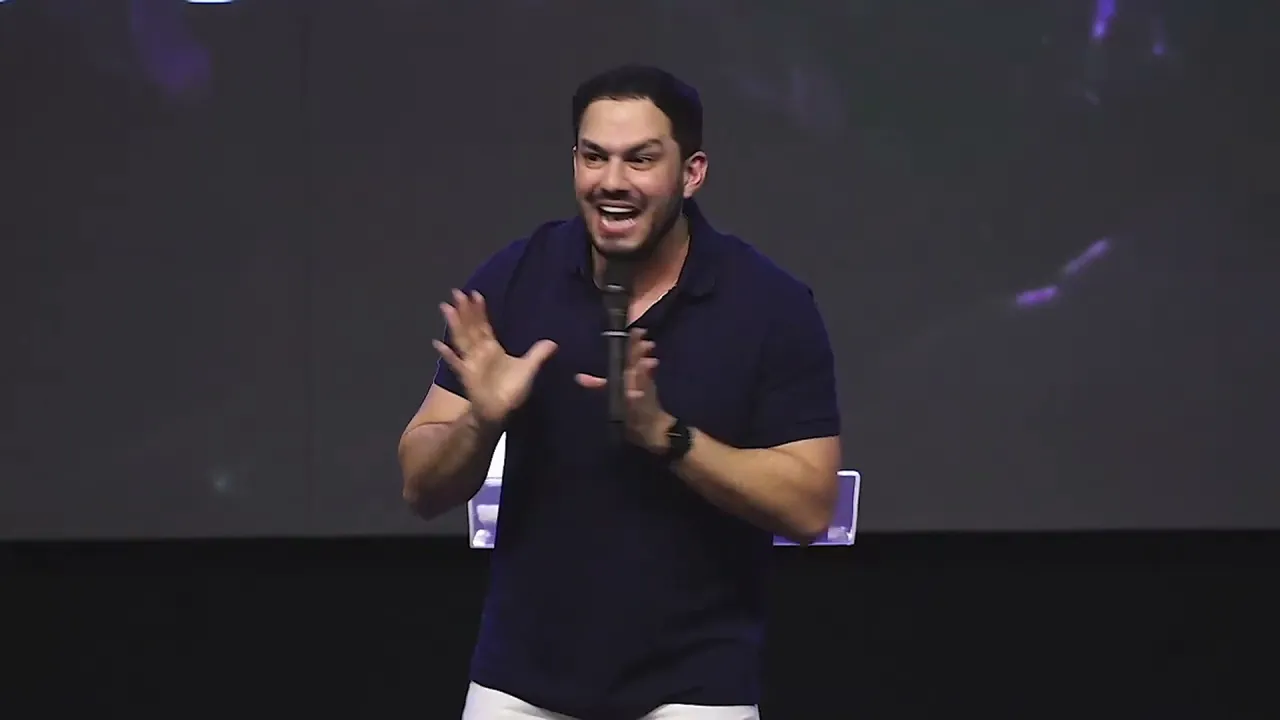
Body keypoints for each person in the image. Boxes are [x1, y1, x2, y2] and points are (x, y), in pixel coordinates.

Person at [398, 65, 842, 720]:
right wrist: (481, 423)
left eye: (640, 159)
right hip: (521, 684)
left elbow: (809, 509)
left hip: (696, 688)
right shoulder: (516, 279)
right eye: (594, 156)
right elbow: (420, 486)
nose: (612, 181)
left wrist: (668, 437)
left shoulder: (770, 306)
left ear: (691, 173)